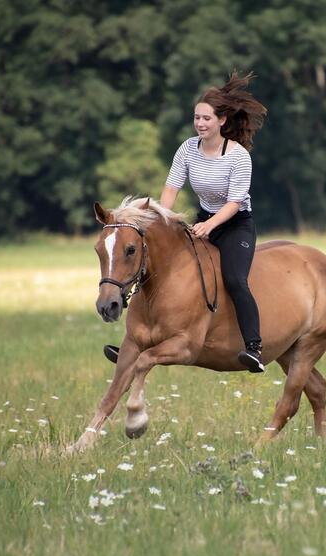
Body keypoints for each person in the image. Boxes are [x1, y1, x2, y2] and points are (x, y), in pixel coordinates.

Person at [104, 71, 268, 372]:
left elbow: (234, 202)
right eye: (196, 118)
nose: (200, 124)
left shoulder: (239, 156)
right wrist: (160, 221)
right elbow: (170, 189)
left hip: (235, 225)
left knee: (234, 279)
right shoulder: (187, 149)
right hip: (203, 220)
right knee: (154, 265)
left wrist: (210, 226)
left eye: (206, 118)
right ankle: (135, 341)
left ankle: (254, 346)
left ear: (222, 121)